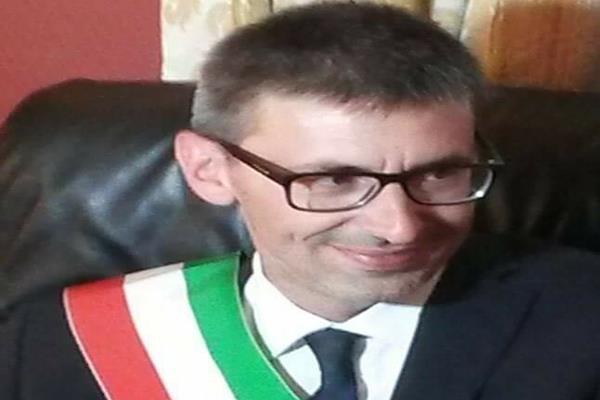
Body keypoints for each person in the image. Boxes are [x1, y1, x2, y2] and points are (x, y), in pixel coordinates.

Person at [2, 2, 600, 399]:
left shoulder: (582, 319)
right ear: (209, 170)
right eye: (334, 180)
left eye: (441, 173)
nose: (399, 226)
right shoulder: (58, 345)